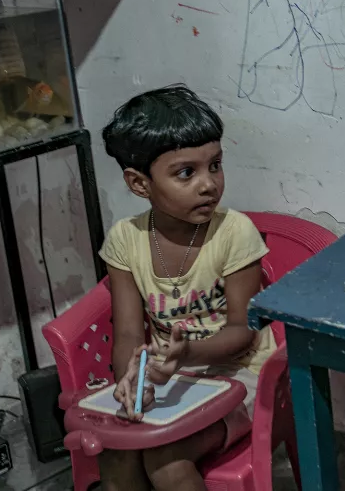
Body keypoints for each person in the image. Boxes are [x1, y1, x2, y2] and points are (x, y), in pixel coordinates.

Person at [97, 84, 275, 491]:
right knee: (118, 455)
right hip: (172, 376)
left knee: (167, 459)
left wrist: (187, 354)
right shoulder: (125, 239)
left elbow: (243, 330)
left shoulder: (235, 232)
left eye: (215, 165)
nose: (208, 184)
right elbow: (128, 334)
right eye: (186, 173)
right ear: (139, 184)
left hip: (241, 375)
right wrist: (133, 381)